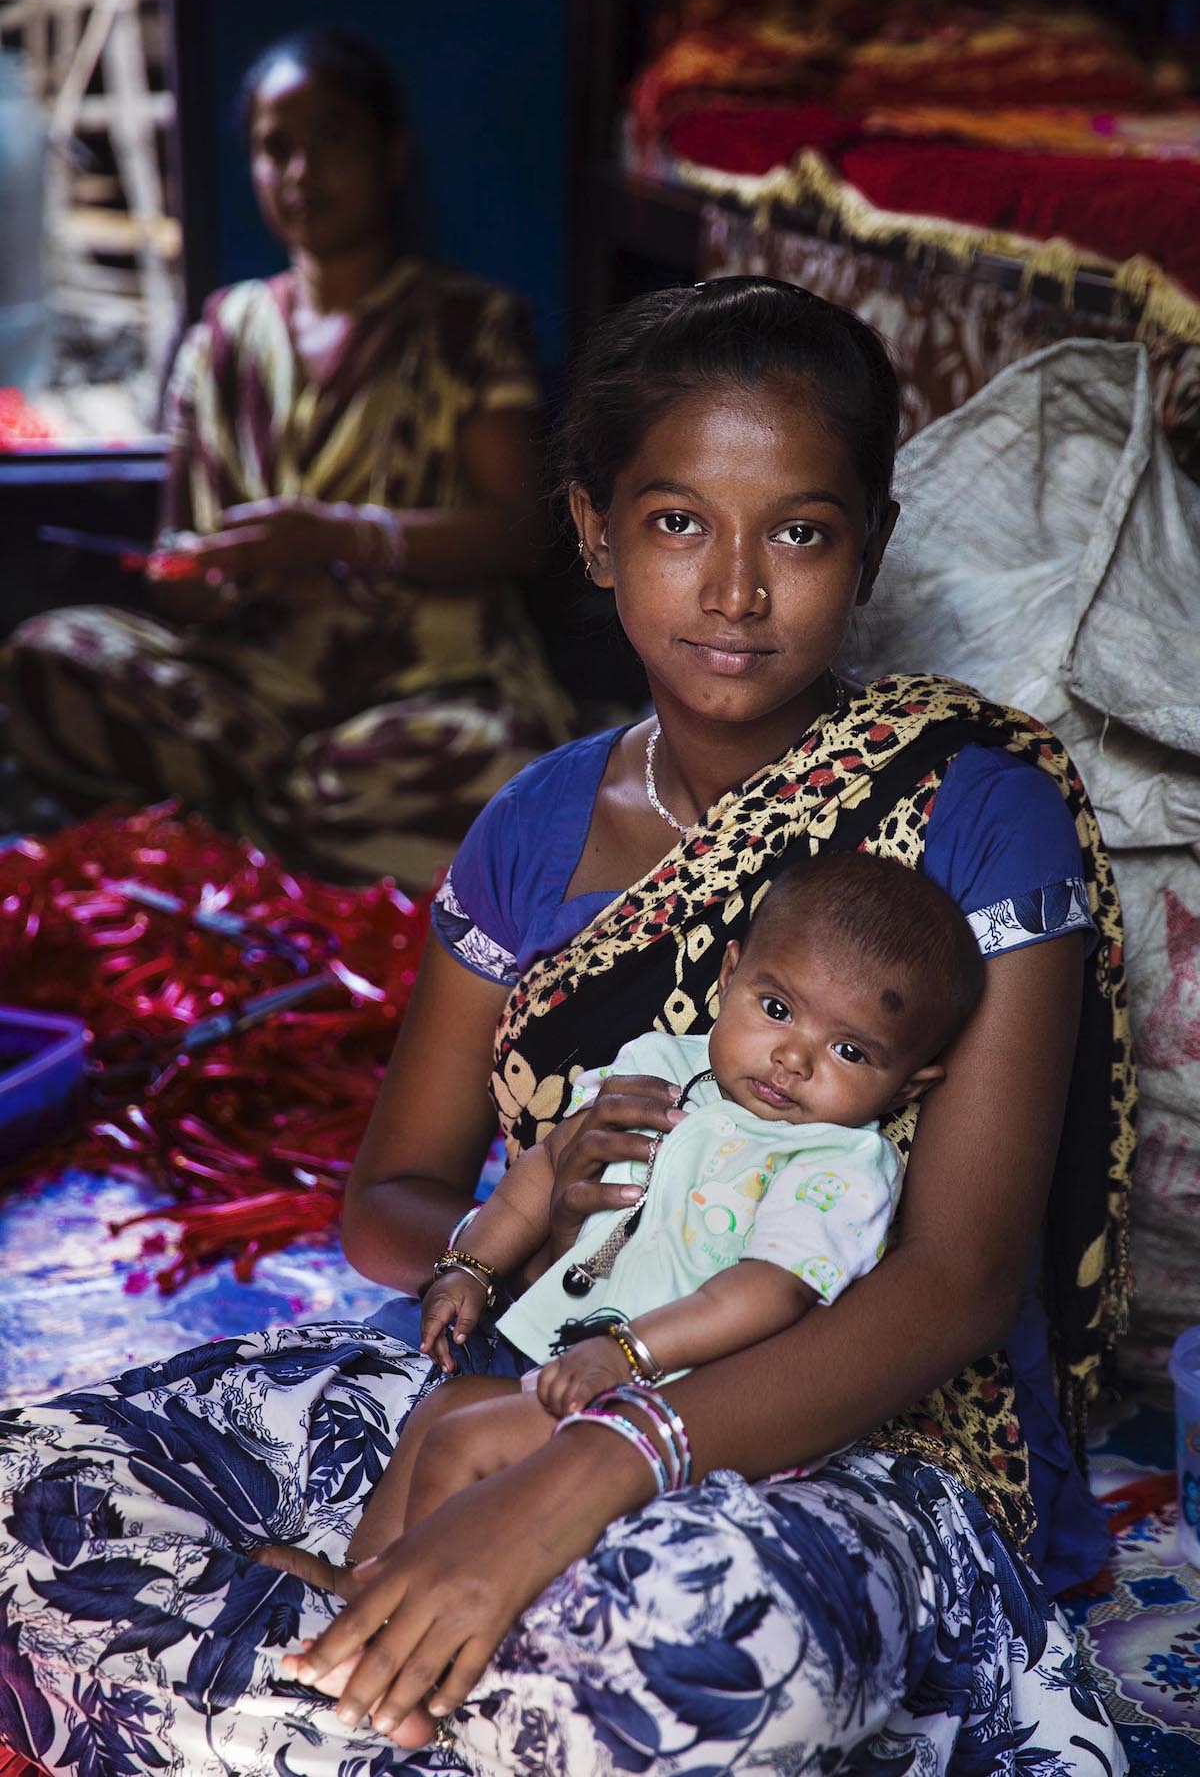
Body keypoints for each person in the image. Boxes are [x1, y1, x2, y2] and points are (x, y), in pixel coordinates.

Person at [0, 279, 1135, 1776]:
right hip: (547, 1350)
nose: (737, 589)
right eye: (678, 523)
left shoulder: (975, 804)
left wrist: (596, 1471)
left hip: (855, 1428)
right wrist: (515, 1236)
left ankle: (312, 1706)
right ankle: (380, 1700)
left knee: (705, 1649)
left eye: (799, 531)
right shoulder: (534, 826)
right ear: (596, 534)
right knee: (35, 1484)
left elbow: (956, 1281)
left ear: (870, 549)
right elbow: (391, 1200)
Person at [1, 29, 571, 891]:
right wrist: (188, 581)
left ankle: (221, 842)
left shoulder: (468, 324)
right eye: (276, 150)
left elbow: (521, 533)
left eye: (333, 140)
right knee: (47, 655)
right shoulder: (223, 335)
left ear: (392, 154)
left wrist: (342, 537)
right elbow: (175, 560)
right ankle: (298, 825)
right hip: (248, 695)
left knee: (506, 773)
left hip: (425, 689)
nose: (302, 174)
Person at [343, 852, 981, 1577]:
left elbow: (771, 1291)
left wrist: (629, 1353)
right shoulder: (658, 1067)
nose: (793, 1059)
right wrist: (472, 1266)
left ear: (907, 1086)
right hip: (559, 1354)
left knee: (464, 1443)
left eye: (849, 1050)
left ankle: (404, 1607)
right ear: (729, 973)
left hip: (676, 1402)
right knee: (441, 1412)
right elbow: (545, 1167)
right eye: (776, 1010)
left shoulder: (838, 1166)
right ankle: (359, 1580)